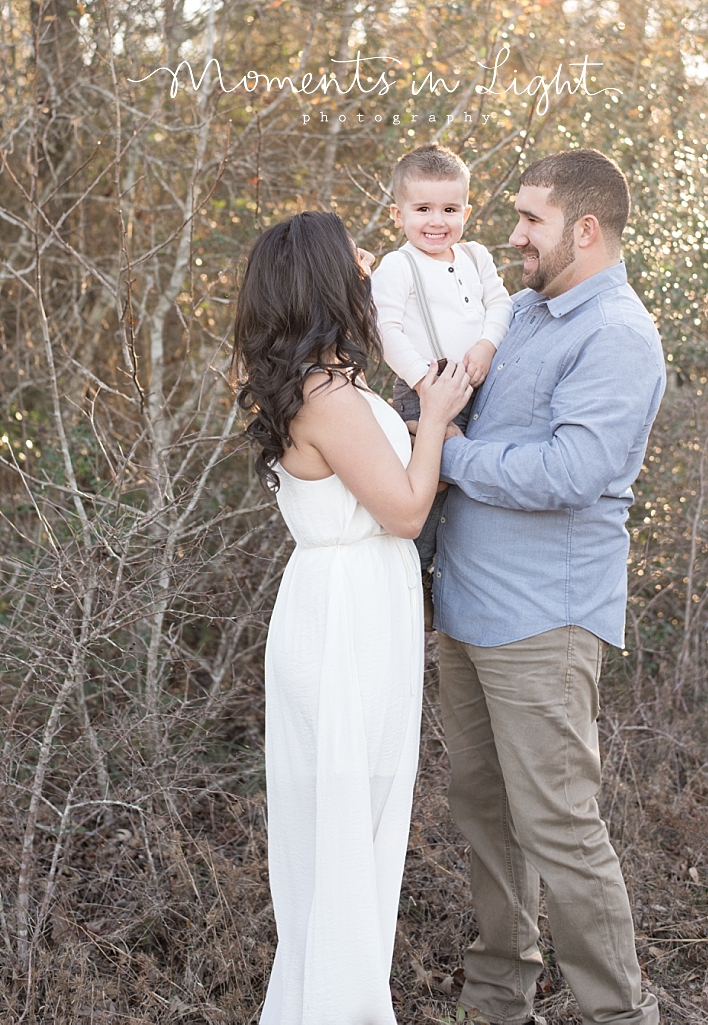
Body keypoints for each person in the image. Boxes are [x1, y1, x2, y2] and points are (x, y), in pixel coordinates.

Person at [433, 150, 665, 1025]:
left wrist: (443, 457)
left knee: (561, 829)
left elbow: (571, 471)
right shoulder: (526, 310)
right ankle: (498, 999)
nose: (514, 234)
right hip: (467, 606)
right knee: (483, 813)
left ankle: (618, 1015)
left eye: (531, 220)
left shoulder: (618, 335)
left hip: (544, 622)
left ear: (586, 229)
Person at [230, 210, 472, 1025]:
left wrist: (415, 426)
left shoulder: (331, 382)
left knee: (352, 819)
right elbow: (405, 509)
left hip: (353, 604)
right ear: (327, 280)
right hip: (344, 619)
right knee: (344, 825)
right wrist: (434, 418)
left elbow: (381, 482)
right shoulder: (327, 395)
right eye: (356, 257)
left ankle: (326, 1002)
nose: (371, 264)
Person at [372, 144, 513, 625]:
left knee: (469, 487)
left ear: (466, 212)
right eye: (423, 209)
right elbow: (384, 330)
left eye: (450, 209)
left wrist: (486, 347)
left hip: (478, 385)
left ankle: (460, 580)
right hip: (424, 390)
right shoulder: (398, 266)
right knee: (427, 490)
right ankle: (413, 579)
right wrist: (423, 380)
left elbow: (501, 306)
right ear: (398, 214)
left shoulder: (475, 256)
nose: (437, 221)